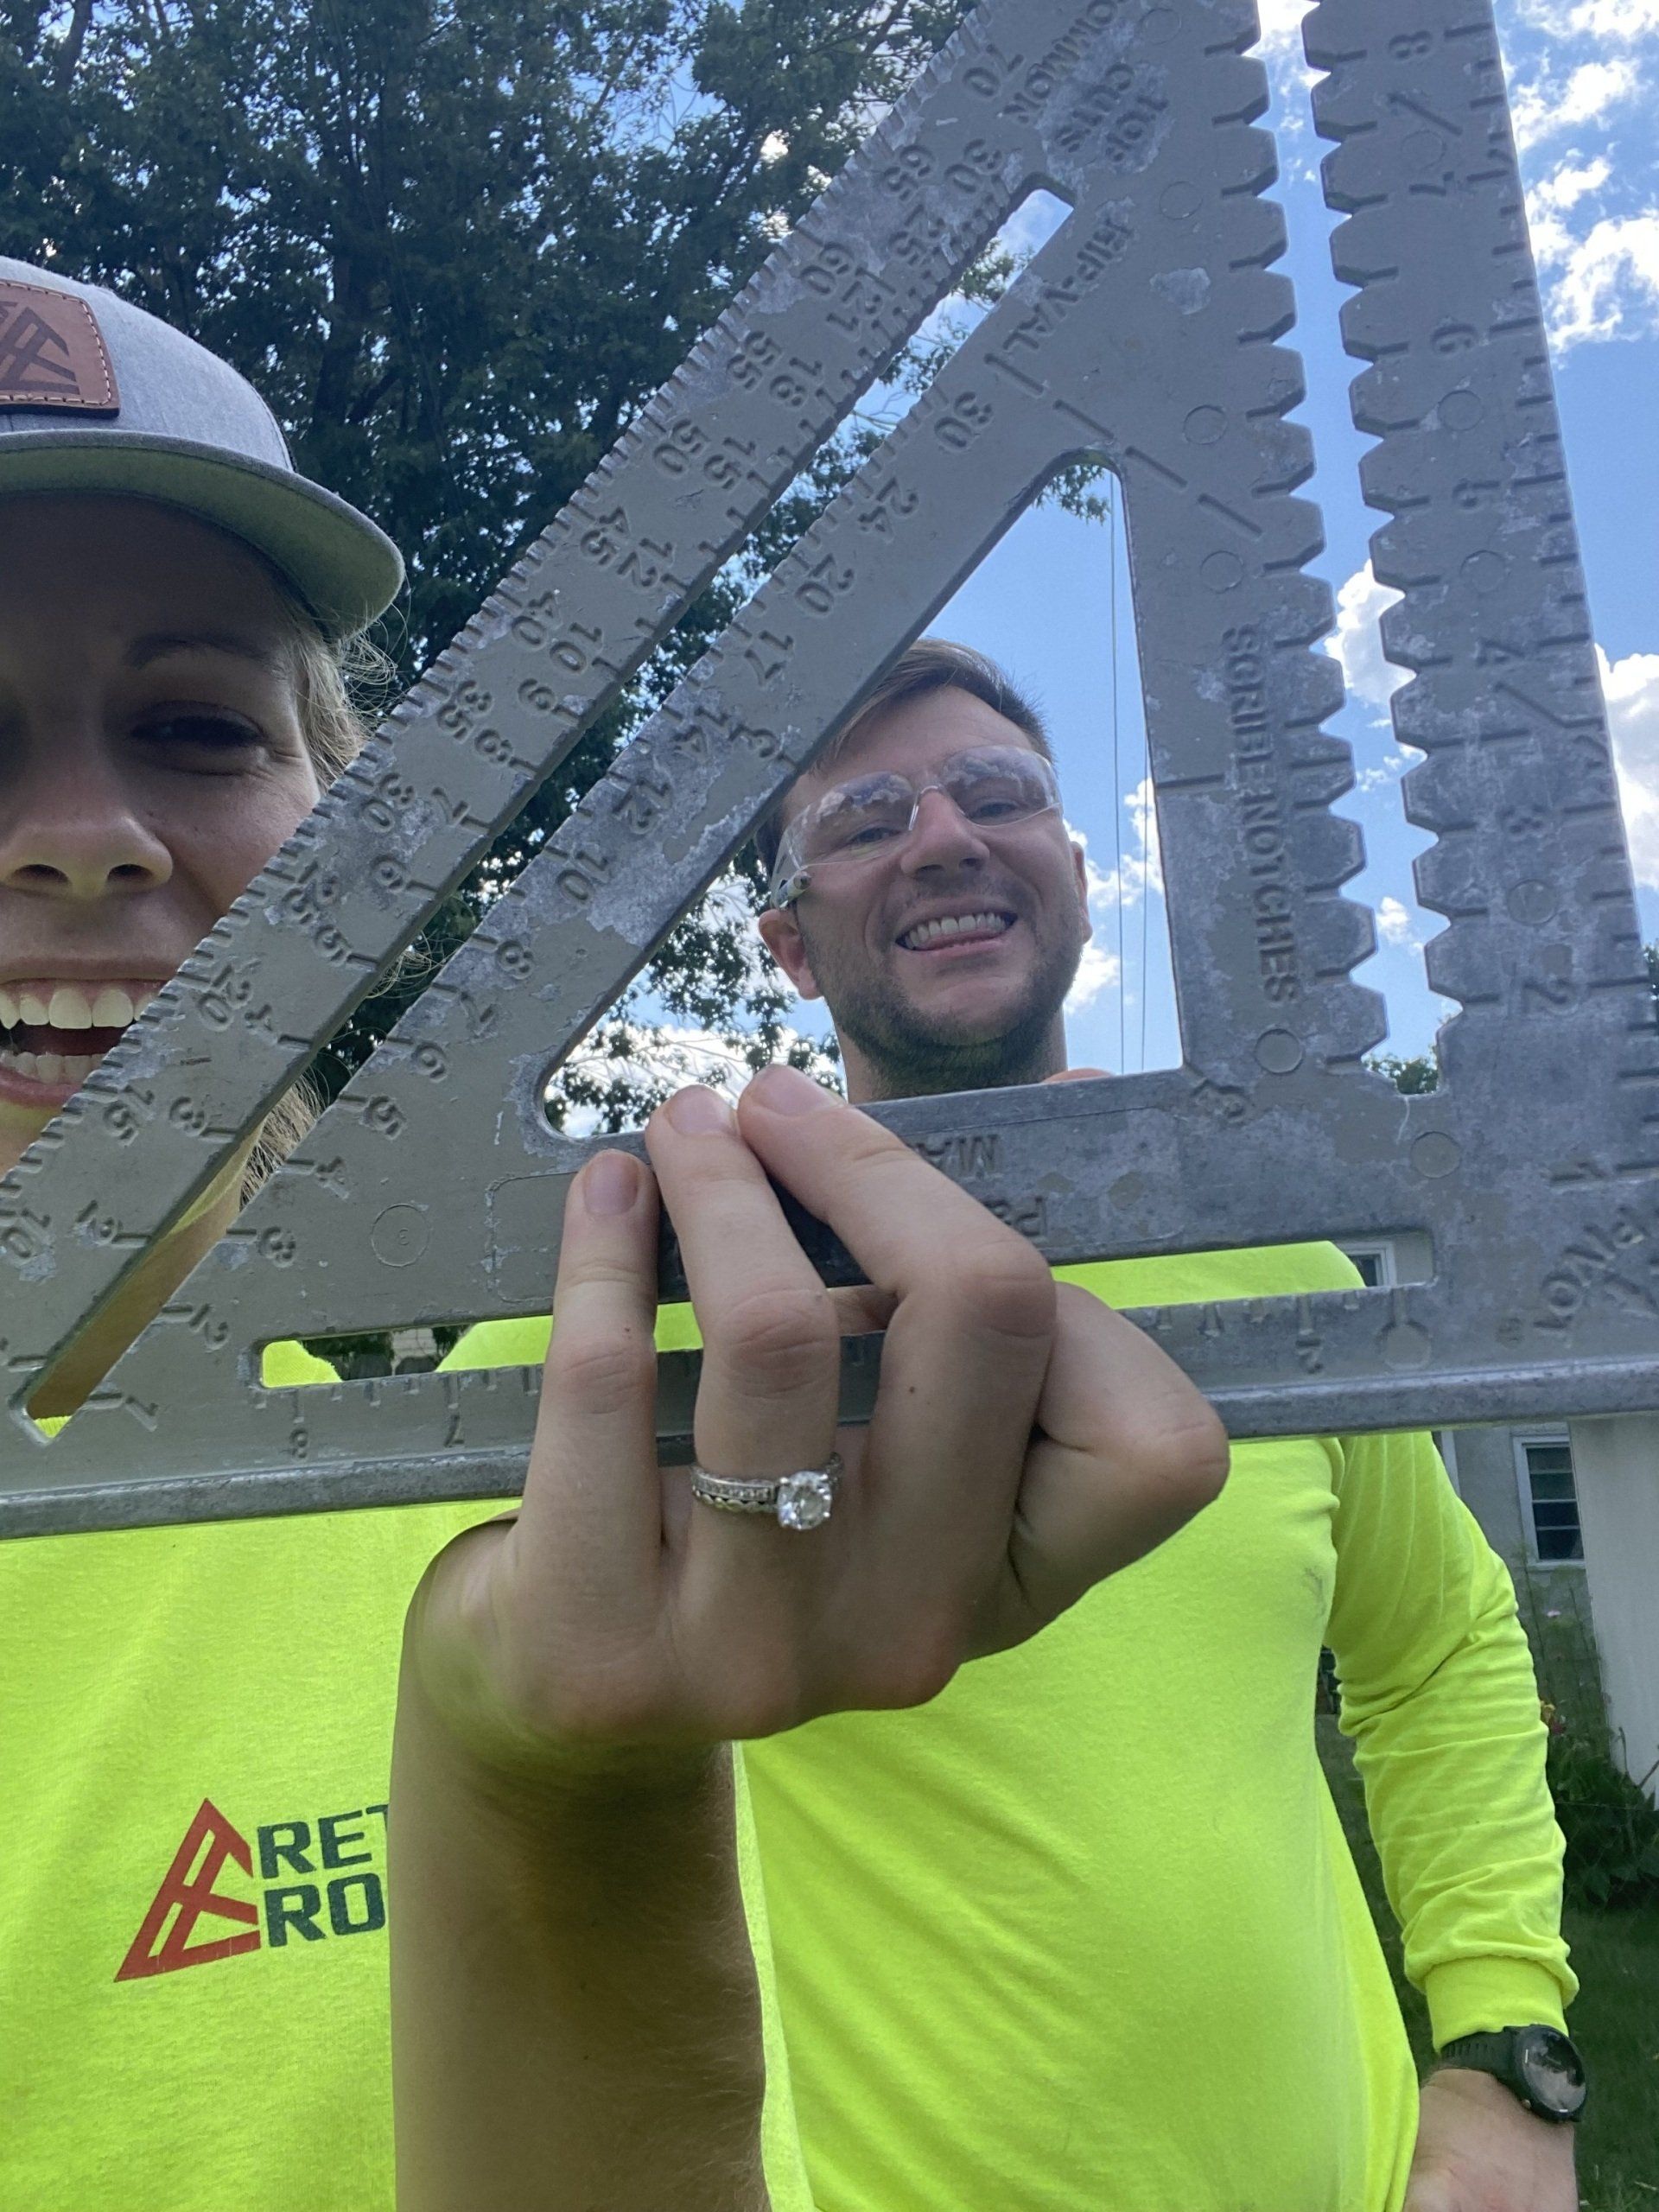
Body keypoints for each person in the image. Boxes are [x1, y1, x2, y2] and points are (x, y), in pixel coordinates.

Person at [0, 262, 1228, 2209]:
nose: (87, 833)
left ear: (347, 825)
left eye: (198, 725)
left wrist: (561, 1775)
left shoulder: (522, 1464)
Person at [461, 638, 1587, 2209]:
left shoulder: (1273, 1258)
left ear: (1074, 872)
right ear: (788, 945)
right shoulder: (633, 1308)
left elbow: (1438, 1645)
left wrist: (1505, 2042)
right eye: (866, 820)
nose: (944, 837)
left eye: (997, 795)